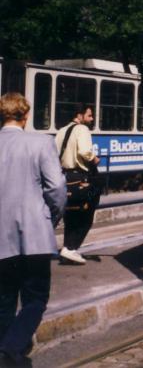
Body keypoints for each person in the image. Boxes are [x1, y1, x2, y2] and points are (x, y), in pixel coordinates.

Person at [0, 93, 66, 366]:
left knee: (3, 300)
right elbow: (57, 188)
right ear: (25, 116)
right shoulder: (41, 142)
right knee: (35, 298)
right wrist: (49, 218)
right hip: (34, 236)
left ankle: (7, 350)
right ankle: (9, 350)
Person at [54, 104, 100, 265]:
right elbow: (85, 151)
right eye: (89, 115)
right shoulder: (82, 130)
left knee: (70, 214)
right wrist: (95, 159)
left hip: (64, 177)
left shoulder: (61, 131)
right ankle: (71, 248)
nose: (91, 119)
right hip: (80, 177)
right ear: (79, 116)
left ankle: (68, 248)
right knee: (86, 215)